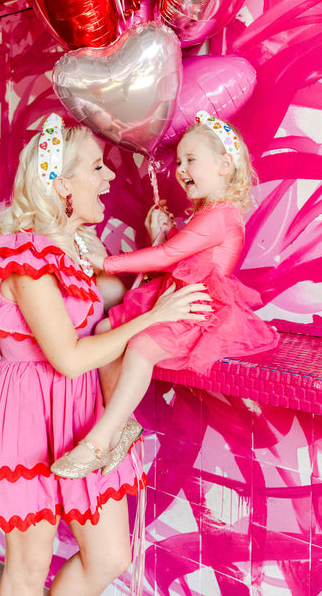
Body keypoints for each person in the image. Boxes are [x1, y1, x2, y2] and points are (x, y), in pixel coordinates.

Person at [0, 113, 211, 596]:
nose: (109, 176)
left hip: (82, 412)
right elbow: (68, 357)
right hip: (28, 413)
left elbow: (113, 303)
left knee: (110, 557)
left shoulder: (78, 248)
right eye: (97, 167)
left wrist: (157, 248)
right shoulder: (25, 260)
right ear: (61, 183)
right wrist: (153, 319)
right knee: (29, 566)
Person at [52, 110, 280, 479]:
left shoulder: (220, 215)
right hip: (174, 296)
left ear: (224, 165)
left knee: (141, 348)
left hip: (197, 306)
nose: (181, 168)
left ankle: (97, 441)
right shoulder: (206, 213)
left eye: (191, 160)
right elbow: (169, 257)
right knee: (105, 328)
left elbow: (169, 257)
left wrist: (107, 262)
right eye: (178, 161)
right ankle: (119, 423)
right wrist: (157, 233)